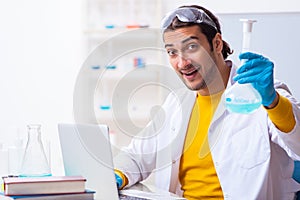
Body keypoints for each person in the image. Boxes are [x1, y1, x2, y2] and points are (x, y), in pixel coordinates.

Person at [113, 5, 300, 199]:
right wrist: (115, 177)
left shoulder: (263, 96)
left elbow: (297, 142)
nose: (182, 63)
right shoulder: (176, 103)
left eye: (192, 47)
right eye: (172, 52)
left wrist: (272, 100)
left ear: (217, 43)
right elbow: (137, 156)